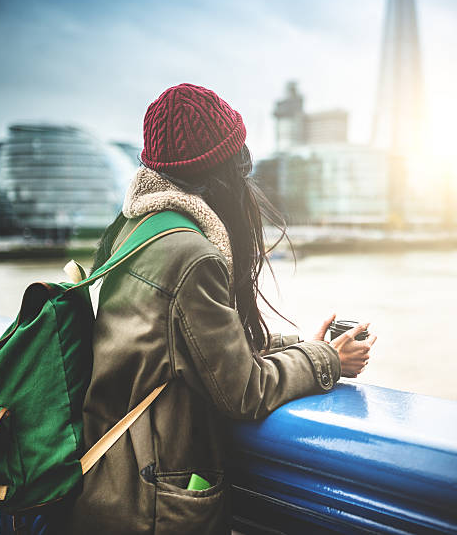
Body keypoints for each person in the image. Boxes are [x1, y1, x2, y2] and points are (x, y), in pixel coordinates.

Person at [66, 83, 376, 534]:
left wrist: (301, 344)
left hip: (106, 478)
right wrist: (329, 359)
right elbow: (243, 391)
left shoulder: (136, 231)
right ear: (221, 170)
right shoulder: (193, 255)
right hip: (152, 502)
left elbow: (193, 345)